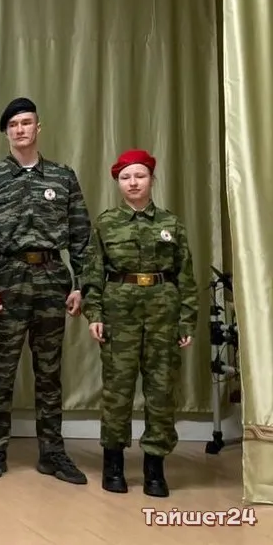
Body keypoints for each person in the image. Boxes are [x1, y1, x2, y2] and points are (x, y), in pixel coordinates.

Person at [0, 97, 92, 484]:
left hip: (51, 280)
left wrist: (82, 285)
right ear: (6, 133)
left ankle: (52, 453)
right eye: (13, 125)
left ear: (38, 127)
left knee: (50, 371)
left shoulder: (61, 176)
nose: (20, 129)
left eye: (26, 122)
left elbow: (81, 235)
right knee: (2, 370)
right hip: (8, 279)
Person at [80, 149, 197, 498]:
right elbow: (92, 273)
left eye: (140, 176)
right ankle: (113, 465)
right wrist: (94, 314)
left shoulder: (171, 224)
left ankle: (154, 470)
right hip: (120, 312)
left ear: (151, 179)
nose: (133, 183)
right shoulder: (106, 223)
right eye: (126, 177)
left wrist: (186, 320)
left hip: (163, 312)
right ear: (118, 182)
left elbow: (185, 275)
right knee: (117, 390)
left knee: (161, 391)